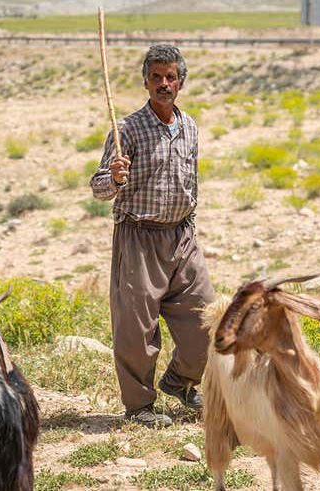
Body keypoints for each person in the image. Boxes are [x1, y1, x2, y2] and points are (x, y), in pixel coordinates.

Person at [90, 45, 216, 428]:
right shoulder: (126, 129)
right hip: (139, 237)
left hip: (182, 237)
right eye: (157, 77)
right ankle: (140, 406)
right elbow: (98, 188)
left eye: (171, 77)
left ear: (180, 81)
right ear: (146, 81)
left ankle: (180, 381)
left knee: (208, 321)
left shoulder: (190, 126)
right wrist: (113, 177)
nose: (164, 84)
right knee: (136, 330)